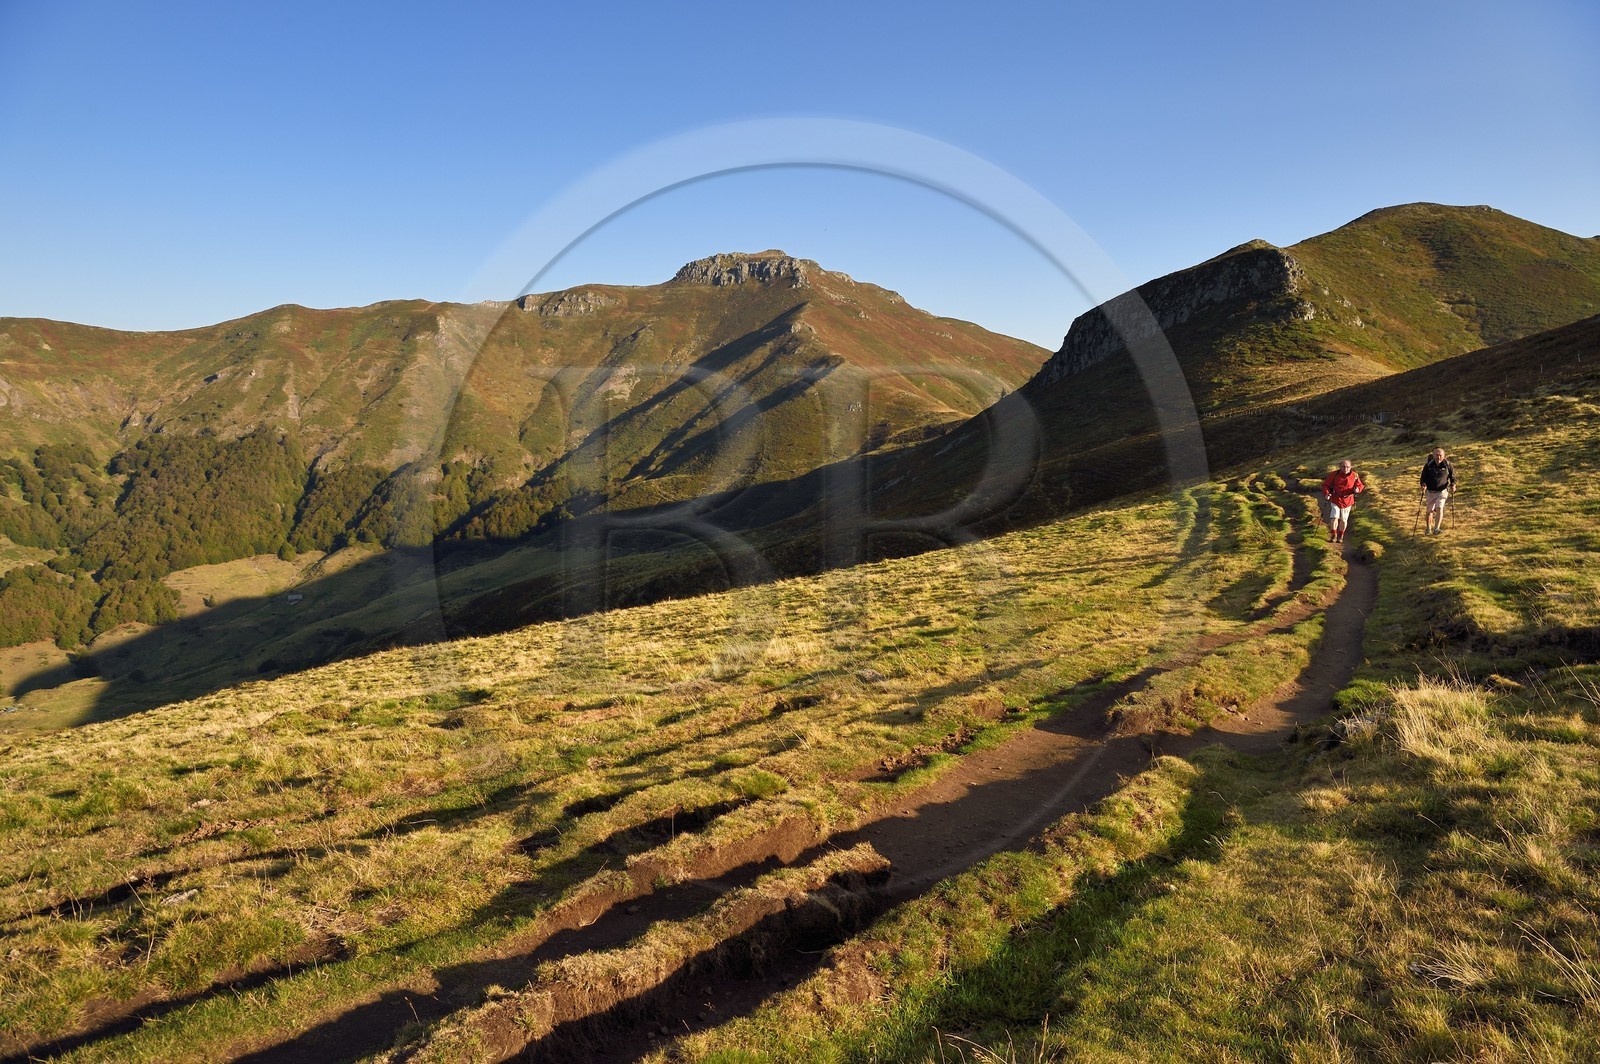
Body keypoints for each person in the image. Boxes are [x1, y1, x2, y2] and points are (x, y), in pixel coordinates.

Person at [1320, 459, 1364, 544]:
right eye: (1343, 467)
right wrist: (1326, 494)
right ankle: (1334, 535)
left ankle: (1341, 536)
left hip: (1348, 500)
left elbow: (1360, 485)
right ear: (1340, 467)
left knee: (1344, 520)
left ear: (1351, 467)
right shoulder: (1334, 474)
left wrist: (1358, 489)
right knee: (1334, 517)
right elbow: (1325, 485)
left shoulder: (1355, 475)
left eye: (1347, 467)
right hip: (1335, 498)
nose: (1345, 469)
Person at [1419, 447, 1456, 535]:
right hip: (1430, 491)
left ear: (1443, 456)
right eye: (1436, 455)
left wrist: (1453, 484)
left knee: (1439, 508)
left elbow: (1453, 477)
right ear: (1433, 455)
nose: (1438, 457)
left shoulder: (1447, 465)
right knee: (1429, 511)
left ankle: (1436, 529)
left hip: (1442, 491)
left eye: (1440, 455)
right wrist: (1423, 485)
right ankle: (1428, 529)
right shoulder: (1428, 465)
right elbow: (1423, 478)